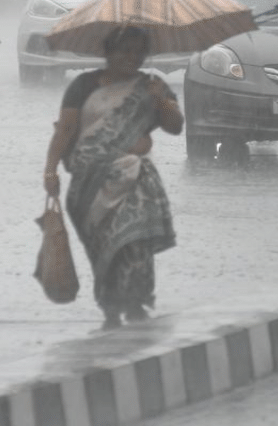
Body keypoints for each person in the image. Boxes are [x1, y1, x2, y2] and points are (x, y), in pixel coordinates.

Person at [41, 25, 182, 329]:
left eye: (137, 52)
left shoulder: (152, 86)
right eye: (124, 51)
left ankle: (134, 303)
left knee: (135, 243)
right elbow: (66, 130)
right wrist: (50, 169)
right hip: (88, 184)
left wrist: (162, 100)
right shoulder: (83, 85)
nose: (131, 58)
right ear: (108, 52)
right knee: (102, 246)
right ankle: (110, 307)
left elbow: (175, 126)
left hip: (135, 181)